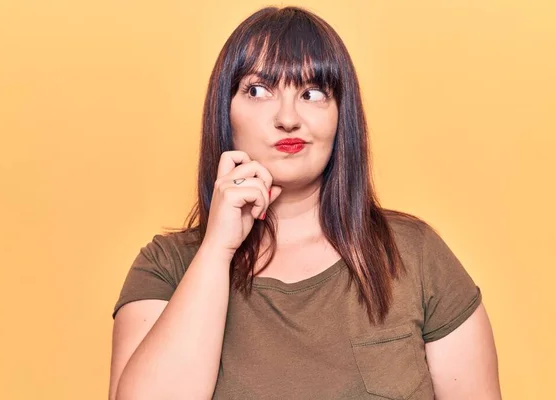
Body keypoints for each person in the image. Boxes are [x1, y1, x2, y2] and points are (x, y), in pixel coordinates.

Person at [108, 6, 501, 400]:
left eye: (312, 93)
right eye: (258, 90)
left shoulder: (413, 255)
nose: (287, 117)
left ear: (339, 116)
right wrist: (216, 250)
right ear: (224, 112)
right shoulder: (166, 266)